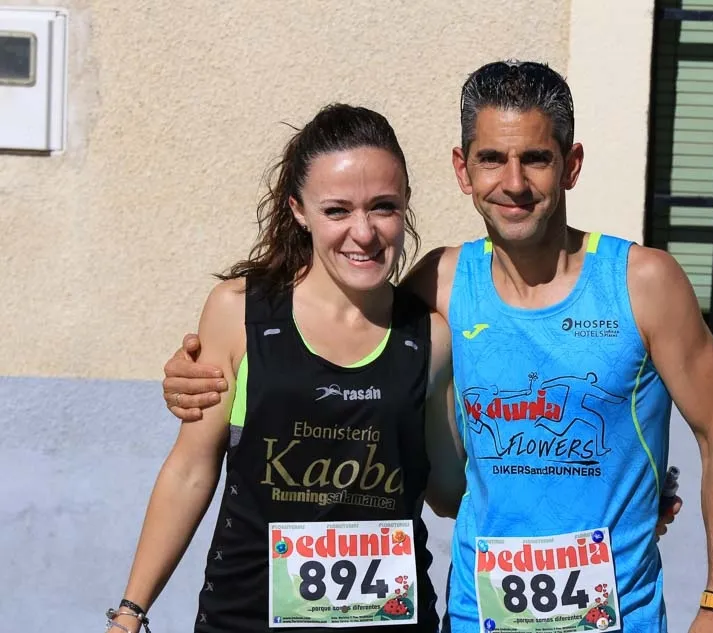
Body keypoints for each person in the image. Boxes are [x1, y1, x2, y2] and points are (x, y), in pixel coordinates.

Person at [163, 61, 713, 633]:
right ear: (463, 170)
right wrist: (200, 372)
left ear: (570, 166)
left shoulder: (643, 283)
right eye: (491, 159)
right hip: (475, 616)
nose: (513, 183)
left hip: (617, 620)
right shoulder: (439, 283)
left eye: (536, 158)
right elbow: (336, 346)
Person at [105, 104, 468, 633]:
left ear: (406, 202)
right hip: (245, 618)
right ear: (299, 210)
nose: (363, 232)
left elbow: (449, 493)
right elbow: (190, 470)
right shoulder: (238, 313)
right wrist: (130, 612)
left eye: (383, 207)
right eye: (337, 210)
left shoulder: (431, 338)